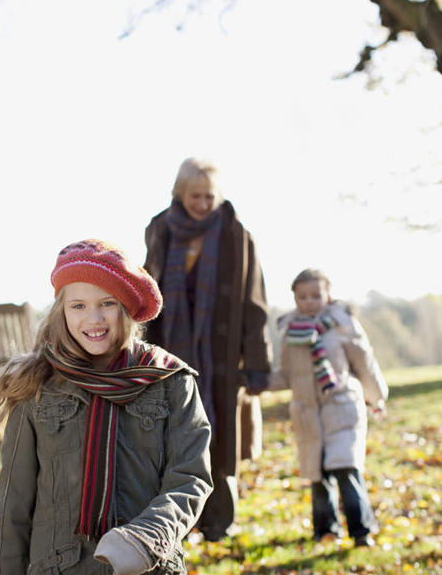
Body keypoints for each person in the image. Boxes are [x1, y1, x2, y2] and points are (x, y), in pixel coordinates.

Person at [0, 239, 212, 575]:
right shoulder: (37, 390)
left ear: (127, 308)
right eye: (79, 304)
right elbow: (12, 512)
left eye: (107, 303)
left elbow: (191, 480)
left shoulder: (170, 383)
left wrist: (145, 538)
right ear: (61, 310)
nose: (94, 318)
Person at [143, 158, 271, 541]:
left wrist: (257, 362)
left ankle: (220, 521)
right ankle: (180, 522)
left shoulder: (236, 234)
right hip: (172, 350)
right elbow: (149, 290)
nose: (202, 203)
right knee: (173, 436)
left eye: (209, 196)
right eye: (195, 196)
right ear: (180, 194)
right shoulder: (161, 228)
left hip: (222, 354)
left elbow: (254, 301)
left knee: (220, 435)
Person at [268, 268, 388, 547]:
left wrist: (377, 395)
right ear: (295, 298)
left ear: (327, 294)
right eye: (302, 297)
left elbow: (364, 363)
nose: (309, 301)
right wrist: (256, 383)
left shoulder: (343, 325)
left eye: (315, 295)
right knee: (318, 474)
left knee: (346, 468)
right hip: (307, 412)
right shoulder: (290, 332)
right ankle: (325, 530)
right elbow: (286, 374)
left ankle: (361, 530)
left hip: (342, 406)